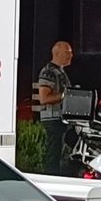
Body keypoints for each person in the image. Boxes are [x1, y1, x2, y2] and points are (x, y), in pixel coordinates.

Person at [33, 40, 75, 175]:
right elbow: (44, 98)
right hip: (52, 120)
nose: (71, 55)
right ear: (57, 53)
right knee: (53, 156)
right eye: (68, 53)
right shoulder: (49, 72)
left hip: (60, 120)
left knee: (59, 156)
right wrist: (66, 95)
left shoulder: (59, 72)